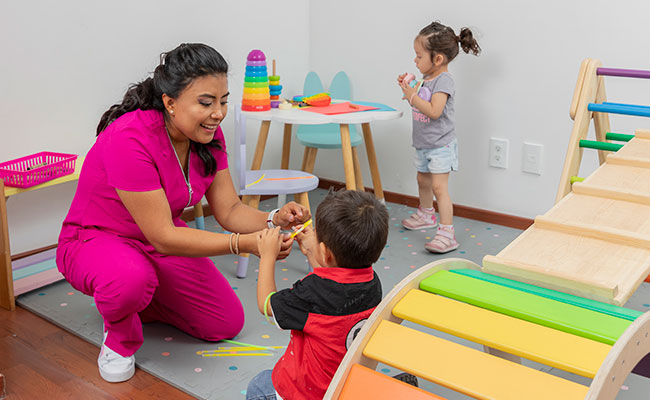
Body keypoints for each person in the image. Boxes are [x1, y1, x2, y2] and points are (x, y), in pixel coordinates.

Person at [55, 43, 309, 383]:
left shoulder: (208, 135)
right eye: (206, 102)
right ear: (170, 102)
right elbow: (163, 235)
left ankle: (133, 298)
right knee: (130, 280)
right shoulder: (129, 138)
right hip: (96, 239)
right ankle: (119, 335)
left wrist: (273, 219)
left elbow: (230, 209)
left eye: (223, 100)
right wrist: (244, 244)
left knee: (224, 322)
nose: (218, 113)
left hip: (157, 243)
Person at [245, 190, 389, 400]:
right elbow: (332, 290)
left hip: (309, 392)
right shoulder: (372, 282)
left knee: (259, 386)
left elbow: (266, 304)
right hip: (345, 385)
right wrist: (314, 252)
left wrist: (267, 255)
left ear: (326, 252)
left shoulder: (311, 291)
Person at [398, 21, 480, 253]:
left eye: (419, 56)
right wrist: (409, 88)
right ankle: (426, 215)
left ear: (438, 59)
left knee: (439, 188)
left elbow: (434, 110)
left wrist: (413, 97)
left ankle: (447, 233)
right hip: (424, 143)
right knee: (422, 181)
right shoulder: (427, 78)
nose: (415, 60)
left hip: (440, 145)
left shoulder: (444, 81)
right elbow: (420, 99)